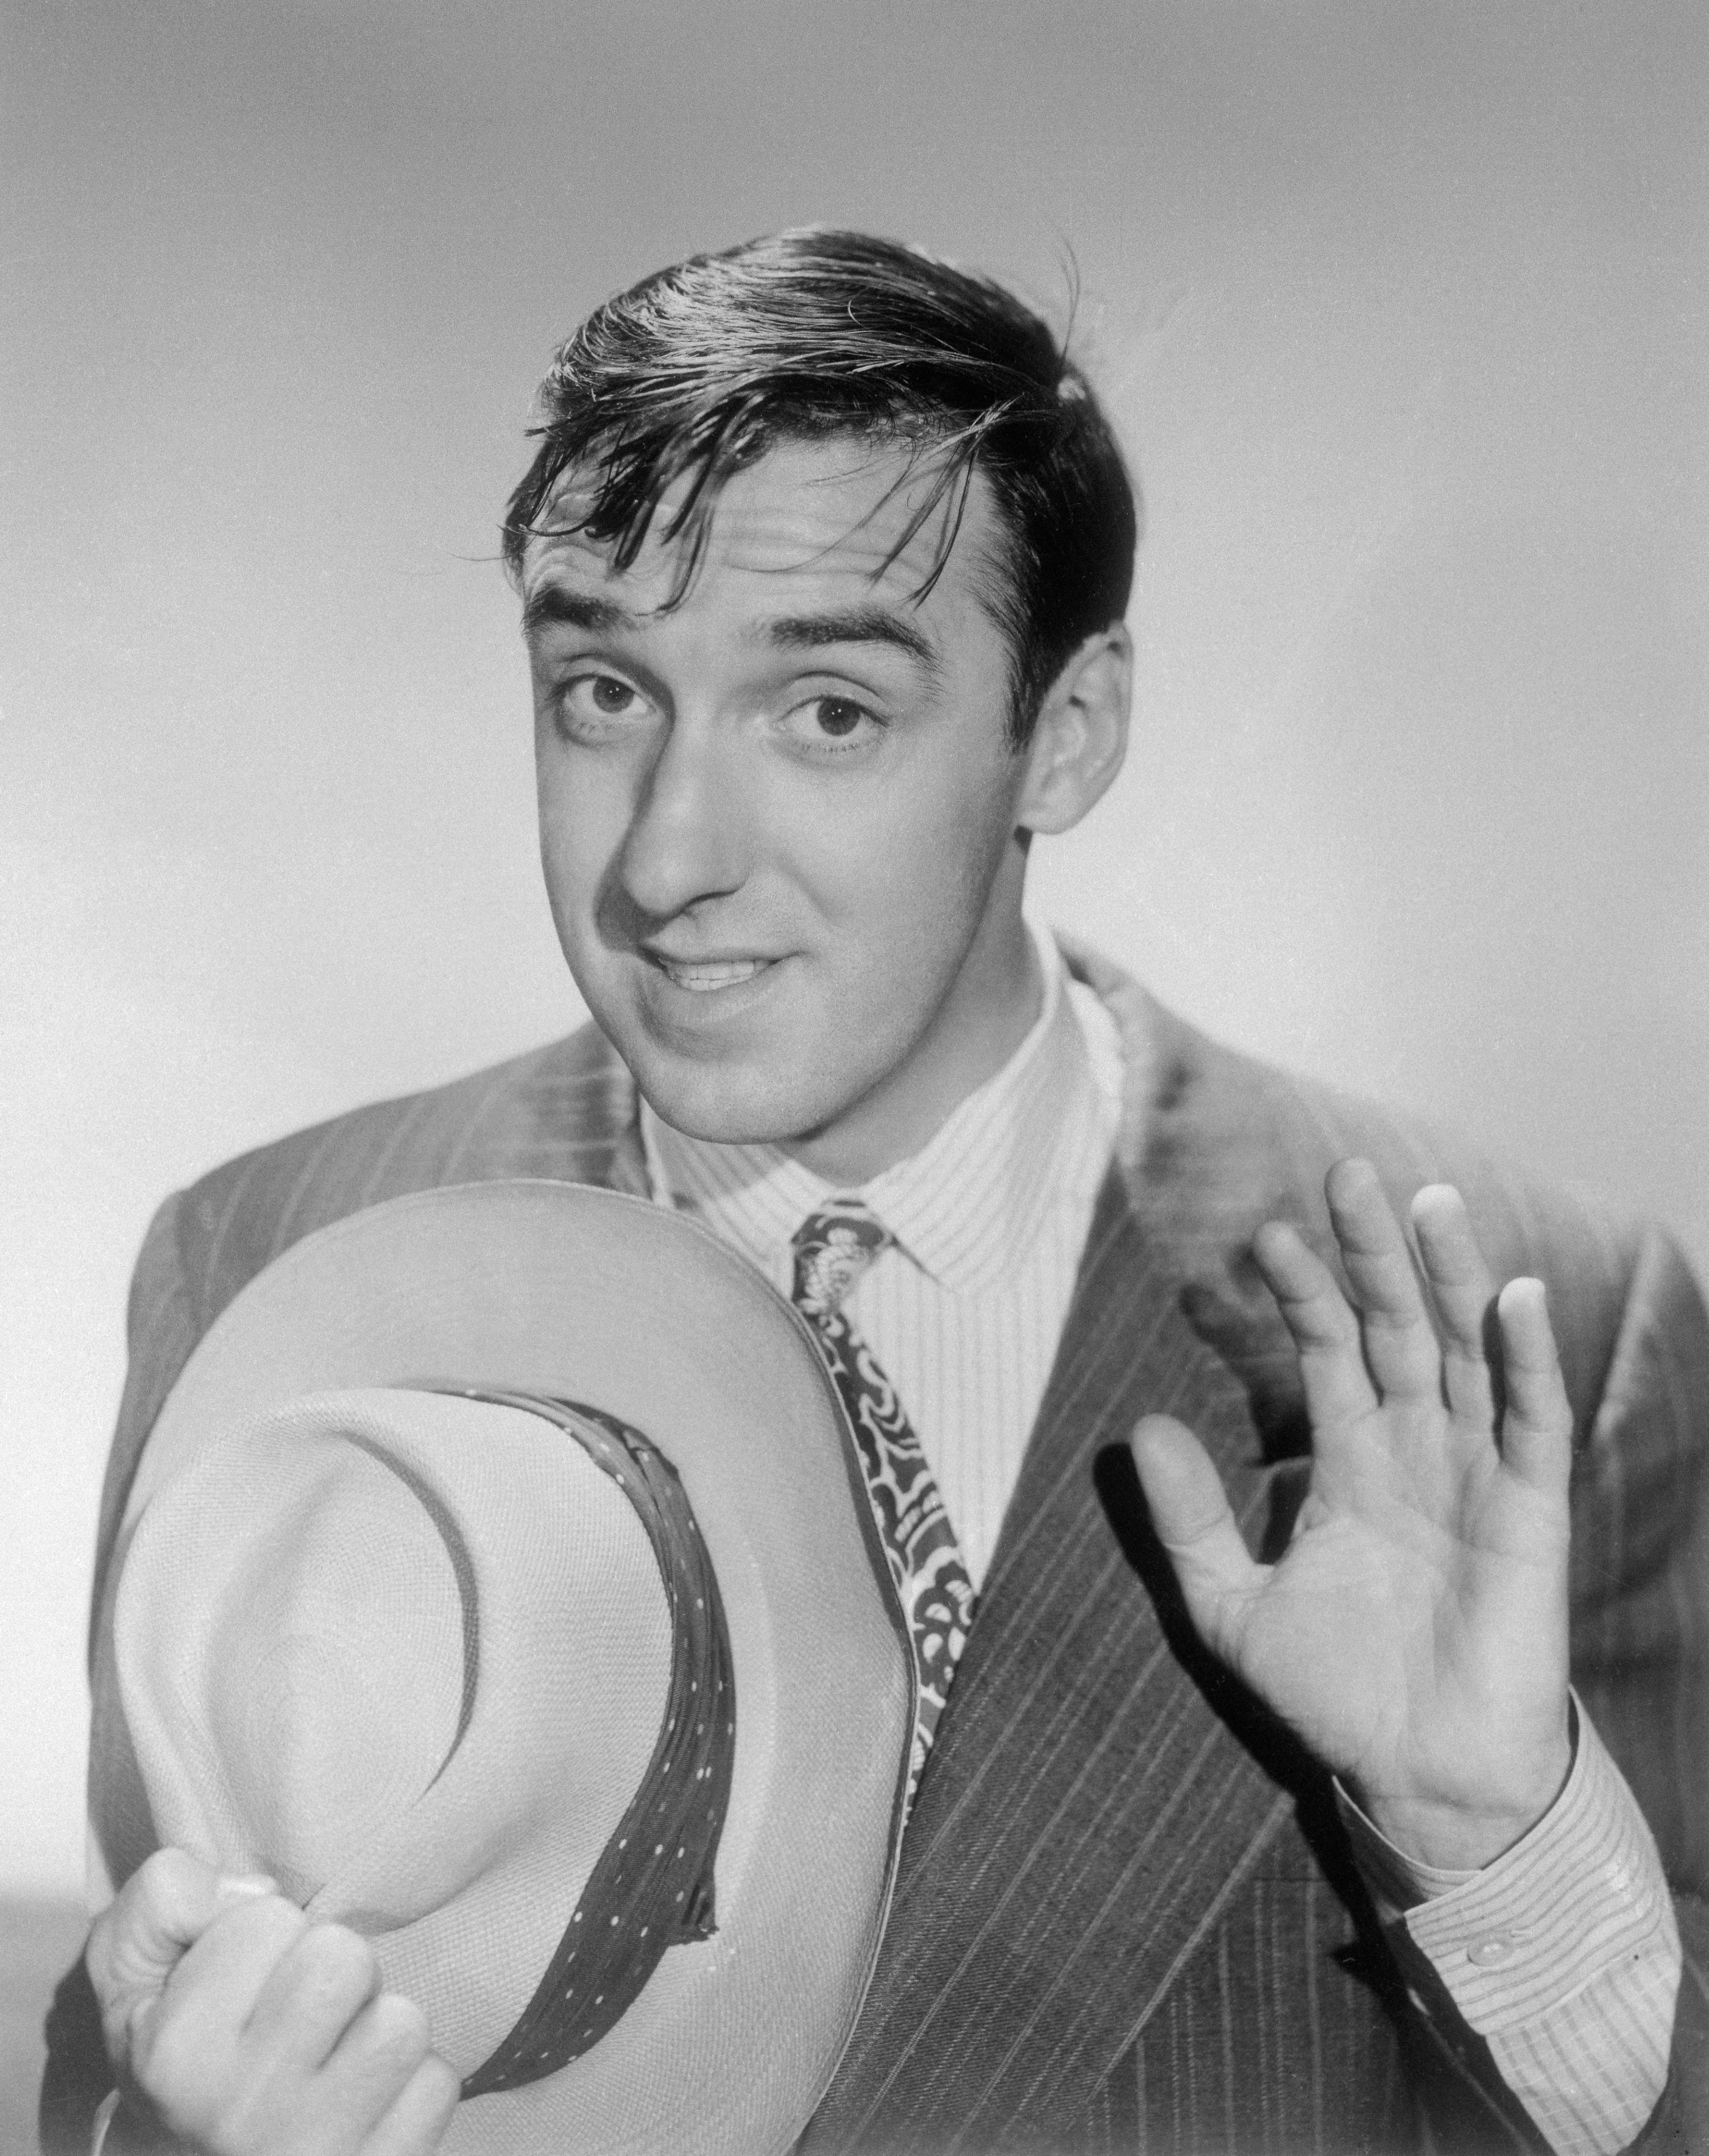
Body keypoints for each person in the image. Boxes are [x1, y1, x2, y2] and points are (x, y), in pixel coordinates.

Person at [43, 228, 1709, 2156]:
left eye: (826, 710)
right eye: (601, 690)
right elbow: (133, 2019)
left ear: (1065, 736)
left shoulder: (1558, 1339)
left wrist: (1496, 1850)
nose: (666, 858)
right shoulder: (267, 1271)